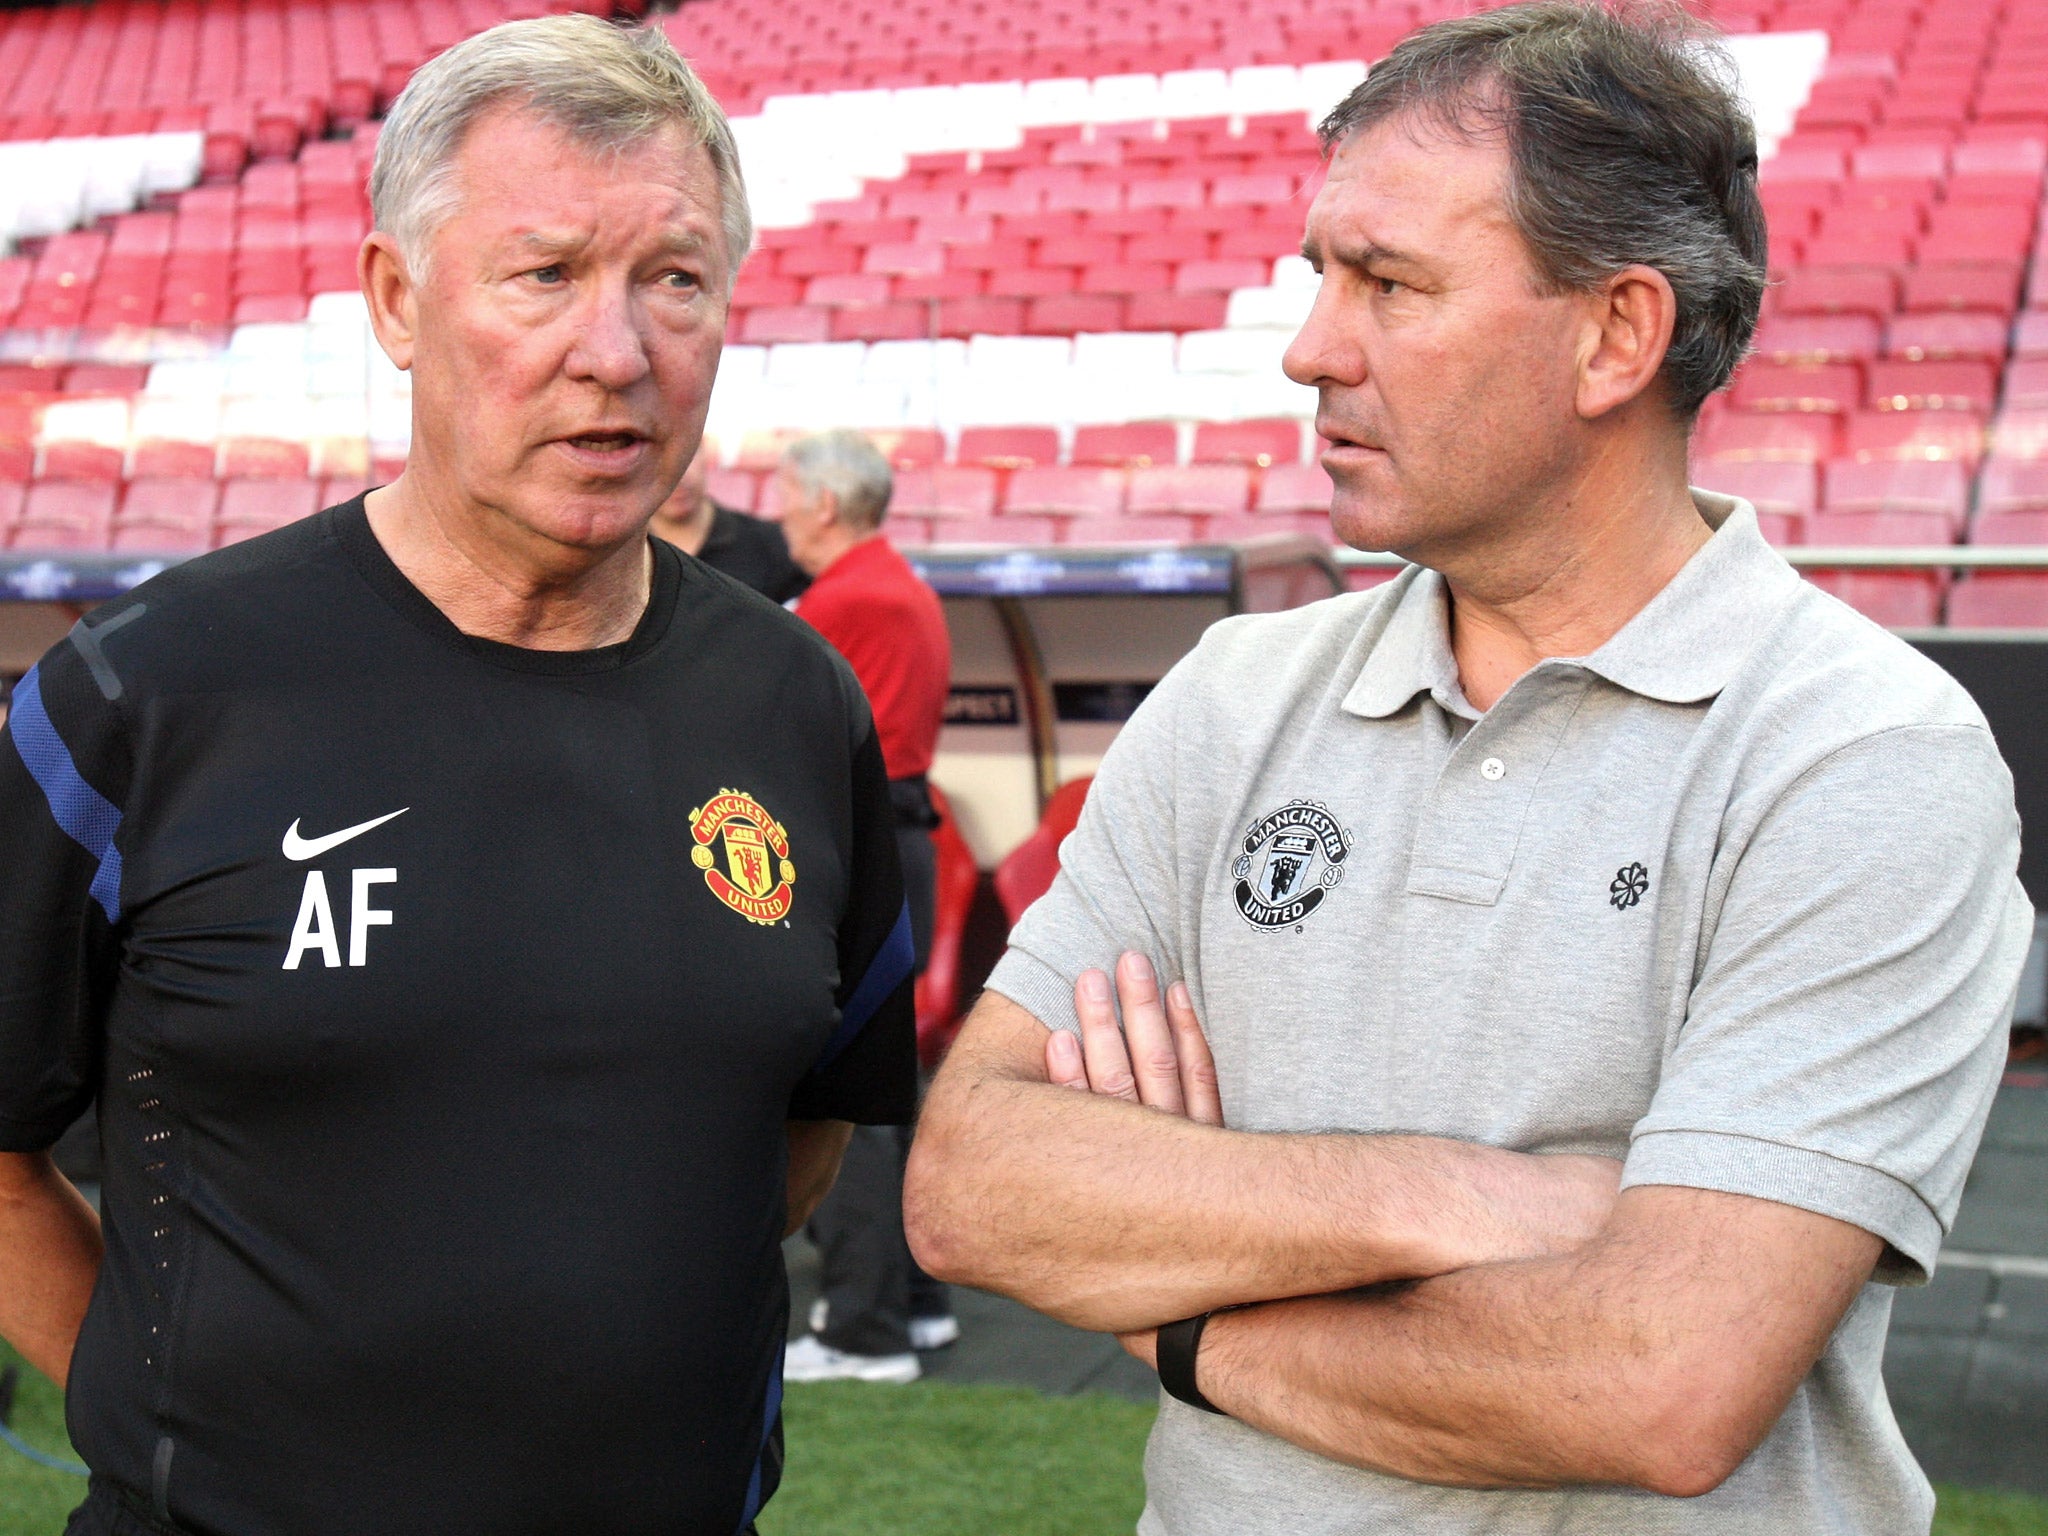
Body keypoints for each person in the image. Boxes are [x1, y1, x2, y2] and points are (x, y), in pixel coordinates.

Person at [905, 6, 2032, 1535]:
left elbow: (1660, 1382)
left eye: (1390, 284)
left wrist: (1176, 1310)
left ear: (1616, 335)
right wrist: (1451, 1197)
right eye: (1322, 276)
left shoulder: (1856, 753)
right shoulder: (1235, 697)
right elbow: (971, 1184)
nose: (1313, 347)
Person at [0, 18, 915, 1536]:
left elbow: (808, 1120)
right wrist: (172, 1411)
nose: (615, 352)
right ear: (396, 300)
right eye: (546, 275)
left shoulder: (796, 705)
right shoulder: (143, 691)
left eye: (674, 280)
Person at [772, 430, 956, 1384]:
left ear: (826, 505)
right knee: (887, 1082)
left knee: (849, 1088)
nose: (777, 511)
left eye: (787, 494)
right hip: (900, 836)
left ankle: (863, 1327)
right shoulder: (906, 590)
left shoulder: (844, 600)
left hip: (856, 846)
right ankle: (914, 1303)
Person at [651, 442, 809, 602]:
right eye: (658, 460)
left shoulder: (773, 544)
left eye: (687, 455)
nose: (679, 476)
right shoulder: (628, 551)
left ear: (704, 453)